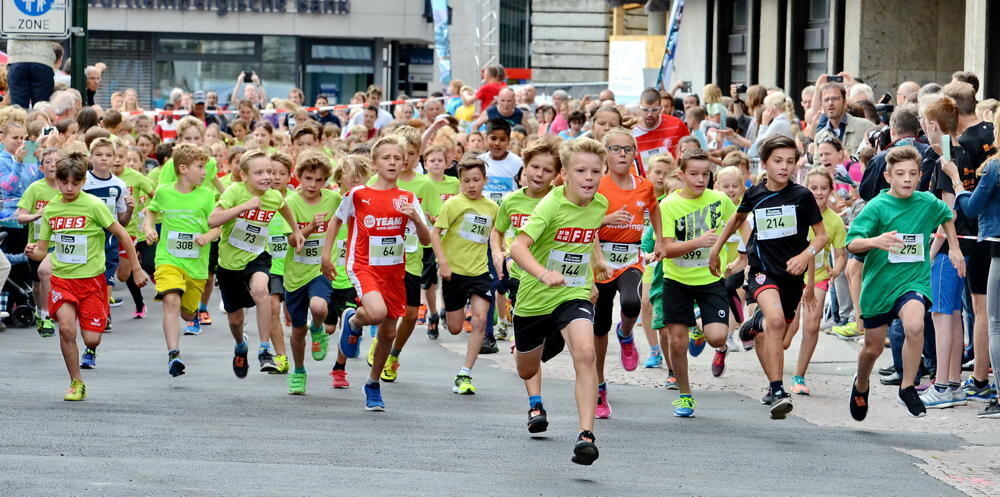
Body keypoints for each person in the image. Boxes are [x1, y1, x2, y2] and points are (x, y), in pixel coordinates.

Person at [710, 135, 827, 420]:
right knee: (774, 322)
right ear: (764, 163)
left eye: (790, 161)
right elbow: (736, 220)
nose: (784, 167)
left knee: (781, 334)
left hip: (792, 278)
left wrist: (805, 255)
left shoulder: (802, 196)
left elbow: (822, 236)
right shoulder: (754, 194)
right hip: (762, 272)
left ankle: (755, 323)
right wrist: (715, 249)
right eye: (777, 161)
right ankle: (777, 389)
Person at [508, 137, 610, 465]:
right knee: (526, 368)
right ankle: (536, 367)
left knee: (585, 353)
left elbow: (588, 234)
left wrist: (595, 267)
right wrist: (542, 274)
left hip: (572, 292)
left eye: (596, 171)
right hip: (534, 299)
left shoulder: (600, 205)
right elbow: (518, 247)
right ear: (564, 174)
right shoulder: (550, 205)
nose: (589, 177)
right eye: (581, 170)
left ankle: (586, 435)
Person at [847, 146, 964, 420]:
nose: (907, 179)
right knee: (872, 349)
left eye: (912, 173)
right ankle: (861, 383)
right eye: (900, 174)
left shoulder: (926, 202)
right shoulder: (876, 206)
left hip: (913, 281)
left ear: (920, 175)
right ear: (888, 177)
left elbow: (947, 216)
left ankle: (908, 385)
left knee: (914, 325)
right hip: (879, 287)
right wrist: (876, 241)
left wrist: (955, 248)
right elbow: (852, 241)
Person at [320, 136, 431, 411]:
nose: (393, 162)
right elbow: (335, 221)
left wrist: (416, 218)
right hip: (363, 266)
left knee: (389, 333)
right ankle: (356, 322)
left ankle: (372, 383)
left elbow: (426, 240)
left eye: (397, 158)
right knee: (377, 313)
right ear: (375, 163)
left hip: (394, 271)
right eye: (386, 158)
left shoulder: (407, 199)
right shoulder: (358, 194)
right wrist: (326, 255)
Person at [27, 152, 148, 400]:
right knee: (66, 330)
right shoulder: (51, 210)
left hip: (92, 280)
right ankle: (75, 382)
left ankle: (90, 337)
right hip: (62, 279)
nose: (69, 188)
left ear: (83, 182)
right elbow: (42, 250)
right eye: (64, 182)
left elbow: (123, 235)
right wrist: (33, 251)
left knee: (92, 339)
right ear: (57, 181)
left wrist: (136, 269)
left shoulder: (94, 205)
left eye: (75, 182)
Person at [208, 150, 304, 377]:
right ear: (244, 176)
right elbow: (212, 219)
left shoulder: (273, 196)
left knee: (262, 291)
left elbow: (284, 207)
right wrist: (242, 208)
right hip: (230, 264)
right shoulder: (235, 192)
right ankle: (241, 345)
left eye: (269, 172)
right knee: (236, 319)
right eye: (259, 172)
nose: (267, 177)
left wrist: (296, 230)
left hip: (257, 256)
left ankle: (264, 350)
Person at [592, 128, 664, 419]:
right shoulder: (596, 184)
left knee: (633, 304)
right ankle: (599, 387)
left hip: (630, 257)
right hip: (599, 258)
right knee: (598, 326)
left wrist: (659, 238)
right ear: (605, 153)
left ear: (635, 154)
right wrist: (606, 219)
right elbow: (583, 220)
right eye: (616, 148)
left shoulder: (644, 186)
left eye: (628, 149)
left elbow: (655, 209)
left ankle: (625, 334)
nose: (622, 154)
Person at [659, 149, 736, 417]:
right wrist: (698, 242)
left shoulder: (720, 199)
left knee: (718, 337)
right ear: (681, 175)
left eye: (705, 174)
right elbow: (666, 249)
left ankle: (700, 328)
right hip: (677, 279)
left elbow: (739, 222)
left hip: (710, 278)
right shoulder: (668, 205)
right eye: (694, 174)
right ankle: (685, 395)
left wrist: (744, 256)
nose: (701, 179)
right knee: (677, 344)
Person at [366, 127, 440, 382]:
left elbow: (433, 223)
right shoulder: (376, 183)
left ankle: (394, 354)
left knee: (409, 314)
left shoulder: (425, 185)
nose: (404, 159)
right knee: (385, 311)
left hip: (412, 257)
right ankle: (381, 341)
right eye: (401, 153)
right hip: (381, 258)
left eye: (410, 154)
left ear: (418, 155)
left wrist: (424, 219)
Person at [142, 143, 218, 377]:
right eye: (200, 167)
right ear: (183, 169)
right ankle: (173, 354)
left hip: (196, 265)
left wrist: (207, 236)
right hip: (168, 259)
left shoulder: (207, 195)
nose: (205, 172)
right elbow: (151, 210)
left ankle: (192, 314)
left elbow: (219, 227)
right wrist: (148, 227)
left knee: (187, 313)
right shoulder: (165, 191)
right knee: (171, 300)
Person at [944, 112, 1000, 418]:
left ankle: (993, 390)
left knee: (994, 321)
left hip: (995, 247)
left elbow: (970, 206)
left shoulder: (994, 166)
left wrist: (955, 179)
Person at [430, 158, 498, 394]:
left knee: (480, 320)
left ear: (484, 181)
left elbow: (496, 235)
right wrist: (443, 263)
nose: (471, 185)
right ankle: (443, 312)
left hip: (479, 272)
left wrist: (501, 255)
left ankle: (465, 373)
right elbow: (435, 233)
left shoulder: (492, 208)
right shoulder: (453, 205)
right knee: (455, 328)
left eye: (476, 180)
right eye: (466, 181)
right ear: (460, 182)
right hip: (454, 273)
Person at [786, 167, 847, 395]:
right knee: (788, 332)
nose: (819, 193)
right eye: (814, 188)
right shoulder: (795, 213)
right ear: (806, 189)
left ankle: (799, 376)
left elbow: (841, 256)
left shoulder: (834, 222)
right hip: (791, 278)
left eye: (823, 188)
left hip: (819, 279)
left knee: (811, 326)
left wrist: (836, 271)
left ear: (831, 191)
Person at [282, 150, 338, 395]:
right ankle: (299, 370)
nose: (313, 185)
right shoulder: (290, 204)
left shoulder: (334, 200)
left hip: (320, 269)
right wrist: (312, 226)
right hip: (295, 273)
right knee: (297, 330)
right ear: (298, 177)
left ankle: (318, 327)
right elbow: (293, 242)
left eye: (319, 180)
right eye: (308, 178)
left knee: (318, 308)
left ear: (326, 180)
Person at [321, 154, 372, 389]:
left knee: (348, 321)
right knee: (329, 327)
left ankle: (339, 369)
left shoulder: (369, 204)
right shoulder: (332, 201)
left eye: (360, 180)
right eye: (349, 180)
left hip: (355, 276)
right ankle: (318, 331)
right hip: (331, 275)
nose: (355, 185)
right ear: (339, 181)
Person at [83, 137, 134, 331]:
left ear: (114, 159)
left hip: (108, 238)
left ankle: (105, 313)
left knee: (107, 275)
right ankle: (91, 310)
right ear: (91, 157)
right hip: (86, 237)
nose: (103, 159)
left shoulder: (119, 185)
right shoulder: (84, 181)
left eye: (108, 155)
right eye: (98, 155)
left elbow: (122, 221)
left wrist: (129, 210)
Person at [15, 147, 60, 337]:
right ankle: (41, 310)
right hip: (37, 244)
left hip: (60, 244)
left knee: (51, 277)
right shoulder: (35, 188)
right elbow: (20, 217)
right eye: (48, 162)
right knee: (37, 283)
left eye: (57, 162)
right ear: (41, 168)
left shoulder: (68, 188)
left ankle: (48, 314)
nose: (52, 165)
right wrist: (36, 215)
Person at [421, 144, 459, 338]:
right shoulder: (423, 182)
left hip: (449, 237)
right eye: (432, 160)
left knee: (447, 275)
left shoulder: (454, 183)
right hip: (427, 237)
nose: (436, 164)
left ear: (447, 163)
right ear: (425, 164)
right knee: (428, 281)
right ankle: (432, 313)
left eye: (439, 160)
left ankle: (445, 308)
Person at [632, 87, 691, 175]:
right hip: (645, 183)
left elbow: (692, 151)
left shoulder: (676, 125)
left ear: (660, 108)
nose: (649, 114)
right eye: (645, 110)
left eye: (654, 110)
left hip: (672, 181)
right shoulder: (632, 132)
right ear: (639, 107)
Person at [813, 81, 876, 158]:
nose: (830, 103)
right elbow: (817, 166)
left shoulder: (865, 126)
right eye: (826, 100)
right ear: (822, 105)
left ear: (844, 101)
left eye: (835, 98)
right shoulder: (819, 137)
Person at [479, 118, 523, 205]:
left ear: (508, 141)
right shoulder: (479, 162)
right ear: (486, 138)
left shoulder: (518, 162)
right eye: (493, 138)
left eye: (502, 139)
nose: (497, 143)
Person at [6, 39, 55, 108]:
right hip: (43, 58)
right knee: (42, 107)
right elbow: (58, 36)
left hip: (17, 57)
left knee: (18, 109)